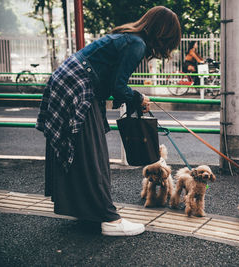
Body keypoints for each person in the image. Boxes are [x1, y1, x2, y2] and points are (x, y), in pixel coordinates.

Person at [36, 6, 181, 236]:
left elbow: (112, 82)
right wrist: (140, 97)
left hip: (68, 80)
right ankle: (108, 220)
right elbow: (118, 87)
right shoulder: (137, 44)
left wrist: (133, 97)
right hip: (79, 86)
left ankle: (84, 211)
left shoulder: (127, 38)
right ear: (163, 33)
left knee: (82, 151)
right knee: (94, 155)